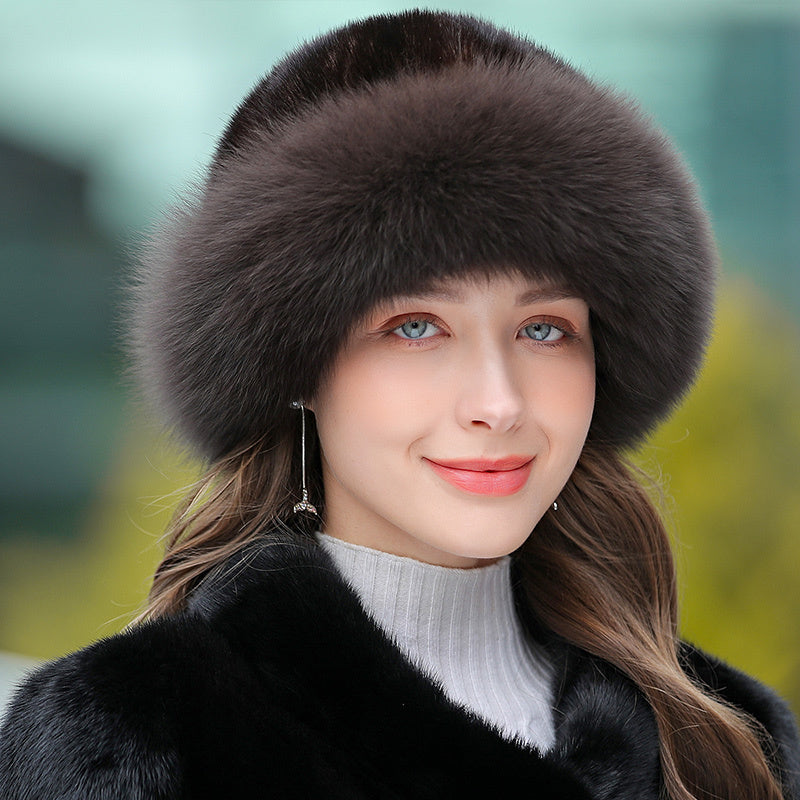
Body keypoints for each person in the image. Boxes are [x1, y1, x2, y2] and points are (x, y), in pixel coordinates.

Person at [0, 10, 798, 800]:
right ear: (296, 365)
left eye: (545, 328)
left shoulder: (733, 745)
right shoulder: (132, 740)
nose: (498, 402)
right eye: (416, 327)